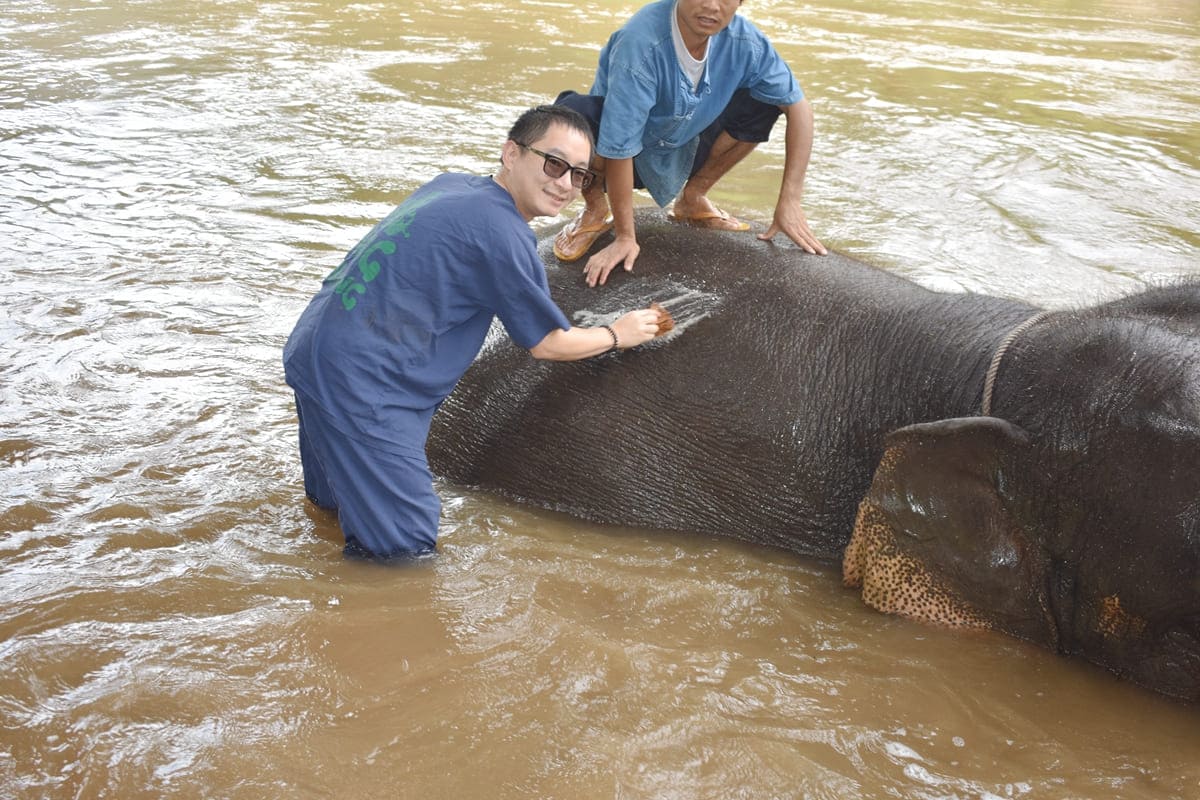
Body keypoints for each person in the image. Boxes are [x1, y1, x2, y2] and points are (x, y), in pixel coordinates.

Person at [282, 105, 663, 560]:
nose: (565, 184)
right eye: (554, 163)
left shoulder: (453, 184)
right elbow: (548, 343)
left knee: (334, 507)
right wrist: (617, 333)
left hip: (314, 350)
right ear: (511, 153)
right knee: (404, 548)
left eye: (579, 175)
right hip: (366, 383)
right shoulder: (502, 231)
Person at [553, 0, 827, 287]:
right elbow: (619, 144)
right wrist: (625, 237)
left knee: (764, 101)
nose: (711, 6)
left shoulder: (746, 42)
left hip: (684, 144)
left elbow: (799, 107)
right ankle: (595, 206)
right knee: (572, 116)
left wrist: (790, 201)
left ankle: (693, 197)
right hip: (611, 159)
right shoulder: (641, 42)